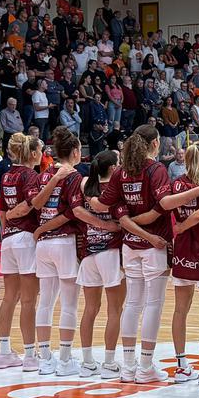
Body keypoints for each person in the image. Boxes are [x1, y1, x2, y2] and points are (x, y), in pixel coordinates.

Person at [92, 124, 173, 384]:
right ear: (154, 144)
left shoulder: (122, 172)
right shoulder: (156, 170)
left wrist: (92, 200)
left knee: (133, 304)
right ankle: (146, 367)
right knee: (153, 305)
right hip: (153, 245)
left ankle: (128, 367)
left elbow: (105, 203)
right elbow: (162, 206)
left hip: (129, 244)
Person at [165, 142, 199, 385]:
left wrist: (179, 228)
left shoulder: (177, 184)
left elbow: (172, 212)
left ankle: (181, 366)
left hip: (183, 249)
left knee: (180, 309)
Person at [32, 127, 84, 376]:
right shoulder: (73, 176)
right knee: (70, 303)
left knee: (46, 301)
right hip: (63, 241)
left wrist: (41, 229)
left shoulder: (44, 174)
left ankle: (44, 359)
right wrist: (45, 228)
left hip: (43, 246)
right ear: (75, 152)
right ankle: (64, 360)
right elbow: (71, 213)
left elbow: (36, 205)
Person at [72, 151, 126, 378]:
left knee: (90, 309)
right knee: (115, 310)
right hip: (110, 252)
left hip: (88, 252)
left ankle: (86, 362)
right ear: (113, 168)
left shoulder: (87, 187)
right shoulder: (115, 190)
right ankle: (110, 363)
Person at [0, 133, 46, 370]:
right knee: (28, 300)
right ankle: (30, 356)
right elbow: (31, 203)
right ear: (32, 153)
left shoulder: (6, 175)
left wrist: (7, 232)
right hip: (25, 237)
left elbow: (2, 212)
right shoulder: (30, 175)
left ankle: (3, 352)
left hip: (8, 239)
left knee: (9, 297)